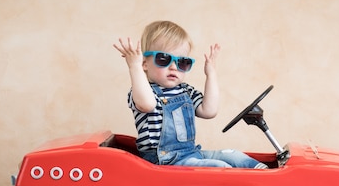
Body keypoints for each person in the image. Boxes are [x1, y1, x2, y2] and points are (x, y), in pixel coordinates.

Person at [114, 20, 267, 169]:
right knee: (218, 167)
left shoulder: (186, 90)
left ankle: (266, 174)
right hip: (162, 161)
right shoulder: (143, 92)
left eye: (182, 62)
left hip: (190, 153)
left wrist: (211, 74)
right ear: (144, 63)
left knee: (234, 155)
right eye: (163, 59)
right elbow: (147, 104)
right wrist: (134, 67)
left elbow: (209, 111)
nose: (174, 67)